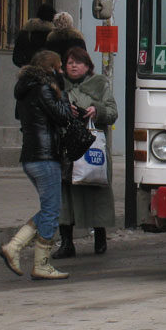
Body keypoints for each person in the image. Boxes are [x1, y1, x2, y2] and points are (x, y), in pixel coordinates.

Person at [0, 49, 75, 281]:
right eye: (59, 67)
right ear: (50, 68)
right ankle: (37, 262)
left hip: (30, 156)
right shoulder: (44, 89)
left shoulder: (24, 89)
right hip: (45, 156)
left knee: (49, 208)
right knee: (52, 210)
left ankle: (16, 247)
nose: (61, 71)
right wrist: (61, 92)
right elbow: (63, 116)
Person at [53, 46, 119, 258]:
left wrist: (96, 110)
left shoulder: (99, 85)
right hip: (67, 150)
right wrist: (64, 110)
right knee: (66, 196)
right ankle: (66, 242)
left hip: (92, 152)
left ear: (87, 66)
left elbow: (112, 113)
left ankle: (100, 238)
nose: (73, 65)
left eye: (78, 62)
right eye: (69, 62)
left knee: (96, 193)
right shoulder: (57, 86)